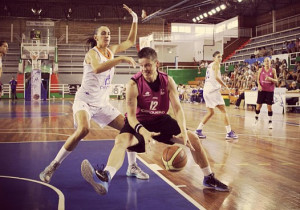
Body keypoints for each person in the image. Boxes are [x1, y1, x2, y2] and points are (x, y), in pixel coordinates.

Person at [80, 47, 230, 195]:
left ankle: (208, 177)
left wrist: (184, 131)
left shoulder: (168, 80)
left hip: (161, 120)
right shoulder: (133, 84)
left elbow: (177, 108)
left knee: (193, 139)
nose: (144, 69)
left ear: (156, 63)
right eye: (141, 65)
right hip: (139, 122)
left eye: (147, 65)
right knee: (121, 141)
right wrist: (144, 132)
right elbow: (131, 117)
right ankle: (106, 176)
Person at [39, 4, 149, 184]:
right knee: (83, 129)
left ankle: (132, 166)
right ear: (96, 37)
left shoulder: (111, 51)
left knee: (129, 128)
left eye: (109, 34)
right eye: (103, 33)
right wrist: (120, 59)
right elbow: (97, 69)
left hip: (102, 104)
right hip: (84, 100)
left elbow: (129, 41)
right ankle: (52, 166)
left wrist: (135, 19)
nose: (107, 36)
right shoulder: (92, 53)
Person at [195, 51, 238, 140]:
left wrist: (219, 86)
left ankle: (198, 130)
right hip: (212, 91)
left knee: (211, 112)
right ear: (214, 58)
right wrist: (225, 85)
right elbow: (216, 77)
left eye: (221, 57)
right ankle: (229, 133)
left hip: (206, 91)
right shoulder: (216, 64)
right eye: (218, 57)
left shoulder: (210, 65)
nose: (220, 58)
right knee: (224, 111)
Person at [254, 57, 278, 129]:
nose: (267, 62)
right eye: (265, 61)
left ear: (270, 62)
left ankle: (270, 122)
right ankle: (256, 119)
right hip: (262, 90)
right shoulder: (261, 70)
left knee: (269, 107)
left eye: (268, 61)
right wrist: (259, 85)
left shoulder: (273, 70)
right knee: (258, 106)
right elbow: (257, 80)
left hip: (270, 91)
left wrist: (270, 79)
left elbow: (276, 81)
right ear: (263, 62)